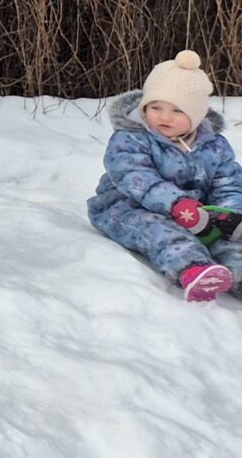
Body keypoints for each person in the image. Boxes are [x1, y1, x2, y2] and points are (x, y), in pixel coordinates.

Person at [87, 50, 242, 302]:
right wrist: (175, 203)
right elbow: (135, 176)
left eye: (177, 111)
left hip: (197, 214)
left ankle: (238, 272)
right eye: (155, 107)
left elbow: (228, 183)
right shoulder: (131, 138)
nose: (164, 117)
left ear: (197, 115)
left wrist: (229, 215)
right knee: (162, 232)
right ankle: (192, 268)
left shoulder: (214, 145)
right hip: (127, 208)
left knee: (227, 237)